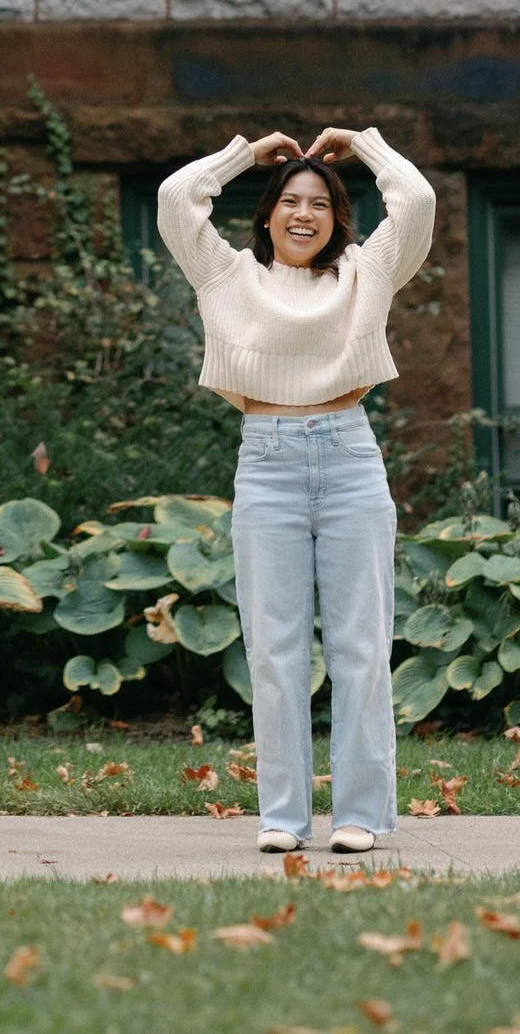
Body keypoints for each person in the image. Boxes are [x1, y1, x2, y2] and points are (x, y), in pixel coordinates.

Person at [156, 124, 434, 857]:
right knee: (274, 651)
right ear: (268, 213)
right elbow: (175, 198)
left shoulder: (364, 273)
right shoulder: (227, 275)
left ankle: (359, 816)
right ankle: (282, 815)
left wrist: (365, 146)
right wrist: (246, 155)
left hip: (347, 457)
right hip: (267, 463)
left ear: (336, 218)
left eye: (318, 203)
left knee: (359, 648)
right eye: (289, 201)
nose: (302, 214)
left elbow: (416, 200)